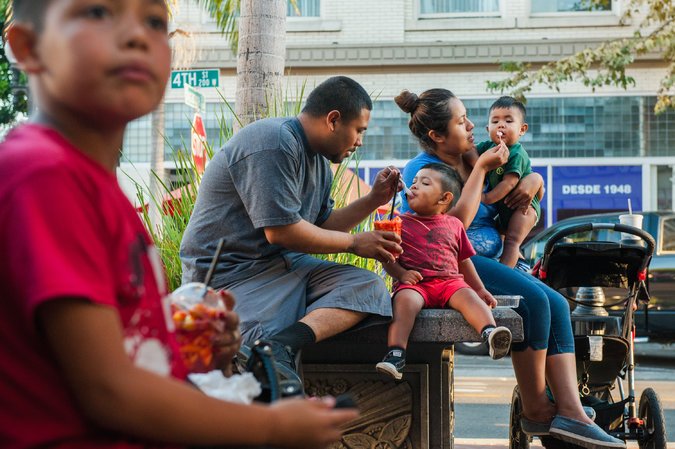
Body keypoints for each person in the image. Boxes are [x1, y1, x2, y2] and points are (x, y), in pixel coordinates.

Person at [0, 2, 358, 448]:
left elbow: (116, 349)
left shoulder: (92, 184)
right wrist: (271, 428)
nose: (135, 35)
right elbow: (108, 391)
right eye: (96, 13)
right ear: (26, 46)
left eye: (154, 21)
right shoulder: (43, 176)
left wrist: (185, 341)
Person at [395, 88, 626, 449]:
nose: (473, 126)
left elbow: (514, 205)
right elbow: (448, 230)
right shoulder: (424, 172)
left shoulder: (476, 160)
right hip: (451, 265)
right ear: (438, 136)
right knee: (532, 300)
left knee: (558, 304)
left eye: (469, 117)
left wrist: (534, 184)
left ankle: (570, 410)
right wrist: (482, 170)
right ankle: (536, 408)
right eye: (461, 121)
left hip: (494, 257)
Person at [180, 76, 403, 384]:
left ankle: (282, 346)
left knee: (367, 286)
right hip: (231, 275)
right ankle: (268, 357)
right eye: (359, 130)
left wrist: (373, 200)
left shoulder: (320, 164)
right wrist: (354, 243)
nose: (360, 141)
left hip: (282, 266)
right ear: (333, 120)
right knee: (261, 369)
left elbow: (319, 227)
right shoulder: (274, 142)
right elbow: (281, 231)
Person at [375, 163, 512, 380]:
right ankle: (396, 353)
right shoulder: (399, 222)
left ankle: (489, 332)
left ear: (444, 198)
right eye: (414, 182)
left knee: (469, 298)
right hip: (416, 283)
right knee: (404, 303)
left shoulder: (455, 225)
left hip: (450, 283)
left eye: (425, 183)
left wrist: (480, 289)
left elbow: (464, 261)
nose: (415, 186)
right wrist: (401, 274)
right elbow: (387, 257)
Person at [470, 96, 540, 268]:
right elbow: (469, 152)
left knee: (512, 241)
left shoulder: (516, 153)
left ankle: (505, 271)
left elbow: (509, 183)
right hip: (504, 209)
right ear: (488, 129)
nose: (501, 125)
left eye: (508, 120)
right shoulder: (487, 147)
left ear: (522, 129)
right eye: (495, 121)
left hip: (524, 208)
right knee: (501, 233)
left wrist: (486, 198)